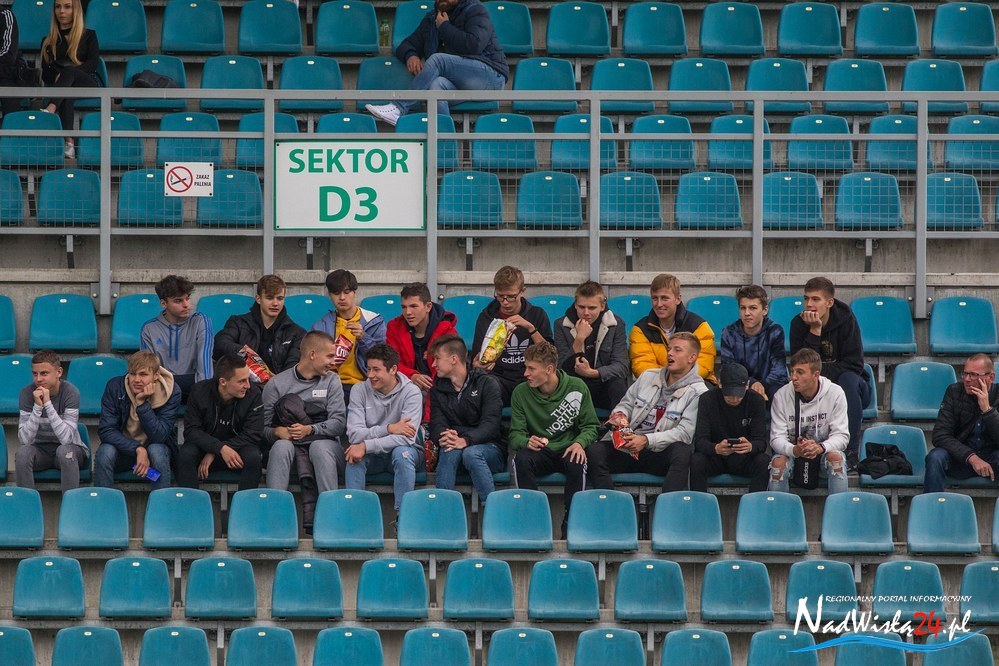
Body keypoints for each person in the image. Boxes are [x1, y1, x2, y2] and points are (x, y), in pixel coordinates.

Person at [589, 332, 709, 493]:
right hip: (629, 447)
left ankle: (667, 506)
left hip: (659, 453)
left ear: (692, 358)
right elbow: (625, 404)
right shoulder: (648, 376)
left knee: (682, 451)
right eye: (669, 349)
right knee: (594, 451)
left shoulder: (699, 392)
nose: (670, 353)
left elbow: (684, 434)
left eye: (677, 350)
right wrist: (620, 416)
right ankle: (608, 502)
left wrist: (646, 440)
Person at [364, 0, 508, 125]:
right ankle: (445, 144)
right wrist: (410, 55)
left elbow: (474, 45)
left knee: (438, 59)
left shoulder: (475, 10)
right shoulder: (432, 19)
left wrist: (445, 26)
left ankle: (399, 108)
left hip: (491, 77)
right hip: (461, 82)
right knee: (436, 87)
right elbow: (406, 44)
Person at [510, 341, 600, 536]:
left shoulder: (577, 386)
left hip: (568, 448)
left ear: (549, 369)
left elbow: (591, 426)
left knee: (578, 459)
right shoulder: (520, 392)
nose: (525, 373)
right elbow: (515, 435)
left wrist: (579, 443)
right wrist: (526, 441)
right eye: (526, 367)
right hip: (540, 451)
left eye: (531, 368)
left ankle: (572, 522)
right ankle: (533, 521)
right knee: (521, 458)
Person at [262, 331, 347, 531]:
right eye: (329, 356)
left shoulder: (332, 380)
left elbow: (339, 424)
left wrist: (310, 429)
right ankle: (274, 521)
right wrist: (277, 432)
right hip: (290, 455)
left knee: (319, 447)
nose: (333, 362)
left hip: (326, 451)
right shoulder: (277, 384)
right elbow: (260, 429)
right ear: (312, 354)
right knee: (281, 446)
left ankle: (330, 518)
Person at [789, 277, 869, 467]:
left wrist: (819, 376)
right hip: (813, 387)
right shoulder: (798, 323)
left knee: (848, 380)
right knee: (794, 384)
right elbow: (801, 365)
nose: (809, 304)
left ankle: (851, 453)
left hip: (851, 388)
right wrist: (815, 331)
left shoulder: (846, 320)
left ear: (829, 302)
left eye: (815, 299)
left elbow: (854, 364)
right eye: (806, 298)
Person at [344, 344, 425, 515]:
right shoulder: (359, 390)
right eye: (368, 369)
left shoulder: (412, 392)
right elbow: (354, 435)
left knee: (402, 453)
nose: (370, 375)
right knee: (354, 456)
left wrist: (366, 445)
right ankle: (354, 516)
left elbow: (406, 438)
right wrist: (389, 428)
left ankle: (403, 517)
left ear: (393, 369)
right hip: (373, 457)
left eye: (376, 370)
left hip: (405, 452)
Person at [429, 334, 505, 503]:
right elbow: (436, 424)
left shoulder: (487, 383)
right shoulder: (437, 390)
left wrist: (465, 440)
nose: (433, 364)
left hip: (491, 449)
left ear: (453, 359)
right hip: (455, 450)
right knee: (449, 449)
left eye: (437, 358)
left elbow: (491, 425)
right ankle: (441, 510)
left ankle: (491, 510)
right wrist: (444, 436)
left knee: (471, 453)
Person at [95, 351, 182, 490]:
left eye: (143, 374)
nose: (136, 379)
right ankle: (103, 501)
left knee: (157, 451)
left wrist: (142, 405)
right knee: (105, 451)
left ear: (156, 375)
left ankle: (160, 502)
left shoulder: (171, 392)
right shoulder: (115, 387)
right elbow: (106, 430)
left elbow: (160, 436)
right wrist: (138, 449)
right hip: (124, 450)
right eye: (133, 374)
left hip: (154, 453)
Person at [768, 349, 849, 494]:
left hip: (823, 452)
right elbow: (776, 438)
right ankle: (778, 508)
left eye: (800, 372)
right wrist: (795, 450)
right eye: (792, 371)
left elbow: (842, 436)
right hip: (793, 453)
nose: (793, 377)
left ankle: (839, 508)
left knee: (836, 460)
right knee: (778, 465)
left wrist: (820, 447)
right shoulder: (781, 395)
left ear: (815, 375)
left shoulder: (835, 393)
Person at [179, 353, 264, 492]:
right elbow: (191, 431)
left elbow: (253, 434)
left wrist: (217, 450)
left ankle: (246, 504)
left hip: (236, 450)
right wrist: (219, 448)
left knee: (253, 456)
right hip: (205, 450)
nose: (248, 386)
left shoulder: (253, 394)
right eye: (241, 381)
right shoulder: (199, 391)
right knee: (186, 454)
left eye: (248, 379)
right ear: (223, 382)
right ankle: (191, 504)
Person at [472, 265, 552, 406]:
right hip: (498, 378)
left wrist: (531, 328)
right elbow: (476, 357)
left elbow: (550, 356)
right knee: (485, 385)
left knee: (547, 379)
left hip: (529, 377)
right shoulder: (486, 318)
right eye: (500, 296)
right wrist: (478, 365)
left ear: (522, 291)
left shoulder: (537, 314)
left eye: (511, 297)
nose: (505, 302)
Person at [14, 350, 88, 492]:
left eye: (44, 373)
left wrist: (47, 404)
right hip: (40, 451)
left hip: (70, 449)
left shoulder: (71, 392)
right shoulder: (26, 393)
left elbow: (66, 439)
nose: (38, 379)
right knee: (22, 454)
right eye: (35, 374)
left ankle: (70, 503)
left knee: (65, 452)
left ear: (59, 372)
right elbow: (25, 440)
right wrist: (37, 407)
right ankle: (27, 503)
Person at [690, 363, 771, 493]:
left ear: (747, 385)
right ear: (720, 384)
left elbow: (761, 442)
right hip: (715, 457)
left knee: (763, 461)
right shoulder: (707, 399)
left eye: (739, 394)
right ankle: (699, 502)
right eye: (729, 394)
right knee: (697, 460)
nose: (734, 399)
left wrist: (750, 446)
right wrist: (716, 448)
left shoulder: (756, 400)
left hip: (743, 458)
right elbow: (700, 441)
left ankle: (755, 503)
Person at [925, 353, 999, 493]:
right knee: (935, 457)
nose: (967, 379)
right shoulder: (954, 392)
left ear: (990, 377)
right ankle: (931, 503)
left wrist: (987, 410)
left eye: (973, 375)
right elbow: (940, 435)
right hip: (961, 457)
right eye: (965, 373)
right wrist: (971, 457)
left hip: (992, 459)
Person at [311, 269, 386, 404]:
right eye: (336, 293)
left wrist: (363, 338)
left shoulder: (373, 321)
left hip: (365, 384)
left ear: (355, 292)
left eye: (346, 292)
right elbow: (312, 361)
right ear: (329, 295)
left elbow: (383, 359)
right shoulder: (320, 326)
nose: (342, 298)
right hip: (330, 384)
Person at [385, 281, 458, 419]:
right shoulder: (394, 327)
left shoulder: (446, 331)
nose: (408, 312)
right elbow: (391, 362)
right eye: (404, 307)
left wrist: (429, 420)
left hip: (438, 388)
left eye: (413, 306)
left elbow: (448, 373)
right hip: (405, 384)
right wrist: (412, 376)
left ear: (428, 306)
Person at [553, 280, 629, 412]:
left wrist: (593, 373)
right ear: (575, 305)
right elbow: (560, 370)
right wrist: (579, 339)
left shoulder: (615, 324)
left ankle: (618, 424)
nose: (586, 313)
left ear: (602, 306)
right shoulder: (561, 325)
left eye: (592, 308)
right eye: (581, 307)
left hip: (603, 384)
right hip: (575, 385)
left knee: (618, 385)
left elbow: (621, 367)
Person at [629, 273, 717, 383]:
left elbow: (703, 366)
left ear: (678, 299)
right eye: (655, 298)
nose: (659, 304)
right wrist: (668, 382)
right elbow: (643, 367)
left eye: (664, 298)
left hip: (695, 383)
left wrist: (674, 380)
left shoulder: (698, 326)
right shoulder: (640, 330)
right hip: (656, 384)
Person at [39, 0, 99, 159]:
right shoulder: (47, 40)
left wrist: (67, 73)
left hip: (86, 83)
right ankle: (69, 142)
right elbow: (45, 75)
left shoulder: (89, 35)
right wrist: (58, 77)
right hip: (63, 87)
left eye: (67, 6)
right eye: (58, 7)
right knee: (67, 93)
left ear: (76, 10)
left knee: (69, 73)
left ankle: (51, 108)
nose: (61, 11)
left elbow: (93, 64)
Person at [214, 274, 306, 378]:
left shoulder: (297, 333)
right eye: (269, 298)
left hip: (278, 385)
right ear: (258, 299)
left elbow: (293, 365)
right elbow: (219, 343)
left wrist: (277, 381)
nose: (275, 303)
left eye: (280, 298)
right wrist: (244, 353)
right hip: (244, 383)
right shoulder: (238, 323)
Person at [140, 274, 214, 401]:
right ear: (164, 303)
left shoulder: (201, 320)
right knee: (122, 381)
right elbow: (149, 367)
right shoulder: (149, 328)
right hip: (164, 386)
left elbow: (205, 360)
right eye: (178, 301)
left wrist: (204, 394)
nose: (186, 305)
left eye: (187, 298)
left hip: (195, 383)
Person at [720, 284, 788, 402]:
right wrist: (752, 383)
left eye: (753, 308)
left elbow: (779, 369)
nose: (747, 313)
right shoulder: (729, 333)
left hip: (769, 385)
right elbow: (729, 368)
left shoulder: (774, 331)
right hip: (740, 384)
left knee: (778, 392)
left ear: (765, 310)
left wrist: (761, 385)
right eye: (743, 308)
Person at [0, 5, 23, 118]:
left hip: (3, 74)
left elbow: (8, 55)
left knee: (9, 90)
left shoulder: (5, 15)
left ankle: (12, 127)